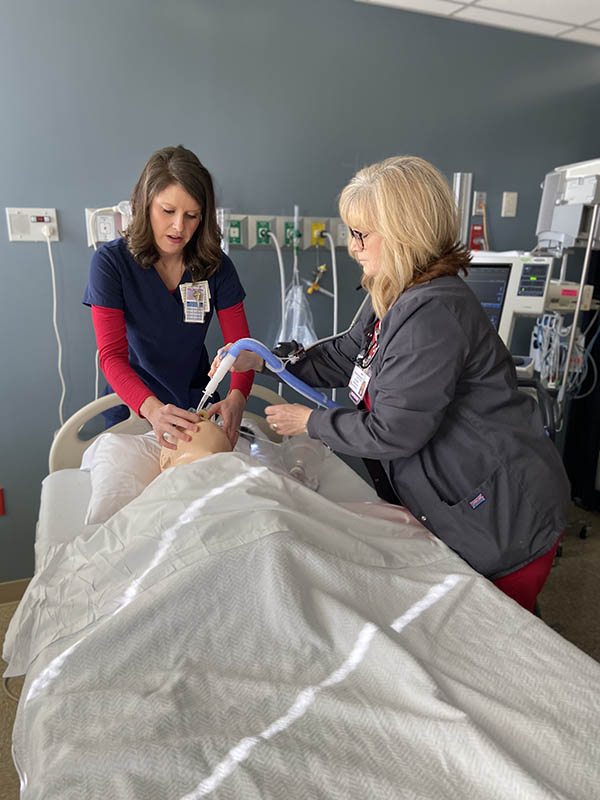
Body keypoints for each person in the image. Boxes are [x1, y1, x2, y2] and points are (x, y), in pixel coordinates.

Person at [212, 155, 570, 612]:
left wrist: (312, 423)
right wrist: (264, 360)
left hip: (503, 516)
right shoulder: (394, 292)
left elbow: (395, 430)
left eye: (361, 234)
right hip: (468, 495)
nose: (353, 247)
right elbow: (344, 356)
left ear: (405, 234)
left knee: (502, 629)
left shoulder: (433, 313)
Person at [83, 145, 253, 449]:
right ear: (145, 204)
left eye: (192, 216)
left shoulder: (216, 268)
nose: (179, 227)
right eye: (168, 211)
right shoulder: (111, 264)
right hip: (133, 408)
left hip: (196, 405)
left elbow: (241, 350)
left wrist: (237, 397)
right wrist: (151, 409)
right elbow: (111, 356)